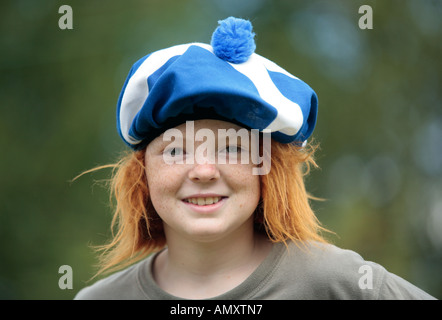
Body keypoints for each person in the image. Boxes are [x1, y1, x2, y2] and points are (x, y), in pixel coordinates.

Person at [74, 17, 435, 300]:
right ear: (142, 173)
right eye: (175, 150)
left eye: (232, 148)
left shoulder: (343, 285)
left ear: (269, 169)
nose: (202, 171)